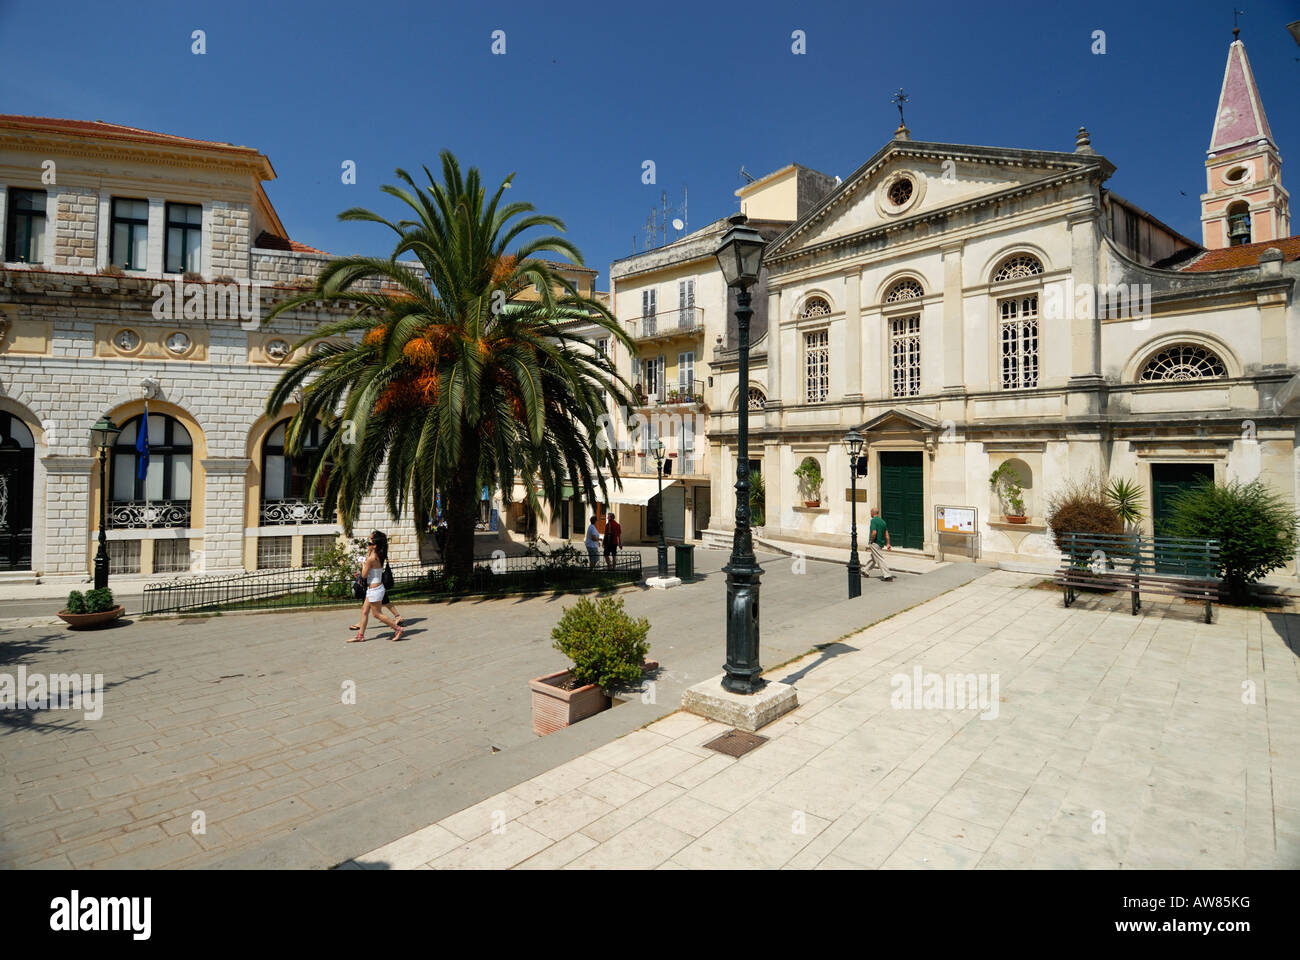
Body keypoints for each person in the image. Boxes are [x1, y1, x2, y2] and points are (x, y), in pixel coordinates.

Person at [351, 530, 404, 642]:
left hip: (374, 589)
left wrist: (362, 563)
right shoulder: (379, 554)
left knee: (377, 614)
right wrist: (367, 555)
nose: (367, 545)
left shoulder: (371, 558)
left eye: (369, 544)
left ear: (375, 546)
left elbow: (364, 575)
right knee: (364, 611)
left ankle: (398, 628)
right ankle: (360, 636)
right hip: (374, 588)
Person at [865, 508, 895, 581]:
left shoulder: (873, 521)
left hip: (875, 542)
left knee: (879, 558)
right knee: (874, 557)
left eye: (870, 512)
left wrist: (871, 541)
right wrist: (888, 544)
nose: (870, 514)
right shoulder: (883, 522)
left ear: (872, 513)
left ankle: (887, 575)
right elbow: (887, 534)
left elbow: (874, 532)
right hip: (881, 543)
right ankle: (865, 570)